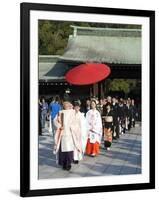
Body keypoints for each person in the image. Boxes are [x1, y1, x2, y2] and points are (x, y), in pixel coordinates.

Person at [53, 101, 80, 171]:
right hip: (62, 133)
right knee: (62, 150)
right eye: (65, 104)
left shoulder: (72, 112)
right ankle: (63, 163)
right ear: (63, 105)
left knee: (69, 150)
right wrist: (59, 126)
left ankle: (68, 164)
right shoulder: (60, 112)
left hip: (70, 134)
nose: (66, 105)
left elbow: (76, 122)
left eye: (67, 104)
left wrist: (72, 127)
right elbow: (55, 121)